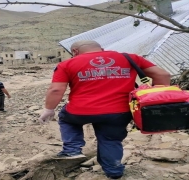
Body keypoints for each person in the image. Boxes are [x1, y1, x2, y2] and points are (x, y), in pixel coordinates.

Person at [38, 40, 170, 179]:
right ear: (101, 49)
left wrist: (49, 109)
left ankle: (72, 150)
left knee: (66, 119)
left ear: (75, 51)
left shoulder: (67, 64)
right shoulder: (129, 57)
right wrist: (156, 99)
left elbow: (56, 89)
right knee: (110, 139)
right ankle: (114, 171)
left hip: (80, 111)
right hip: (119, 112)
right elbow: (163, 75)